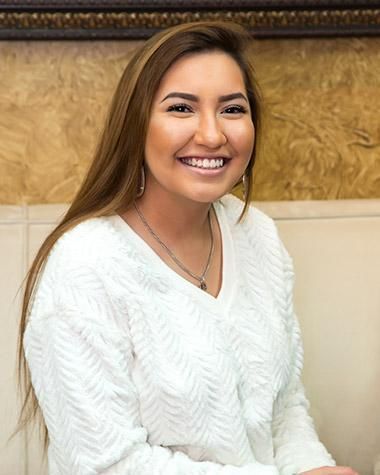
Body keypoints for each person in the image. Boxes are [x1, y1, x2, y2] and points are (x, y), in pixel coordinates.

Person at [18, 21, 358, 475]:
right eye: (181, 108)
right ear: (136, 123)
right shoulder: (84, 265)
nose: (212, 135)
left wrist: (314, 467)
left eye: (232, 110)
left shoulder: (257, 234)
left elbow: (283, 409)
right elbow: (108, 464)